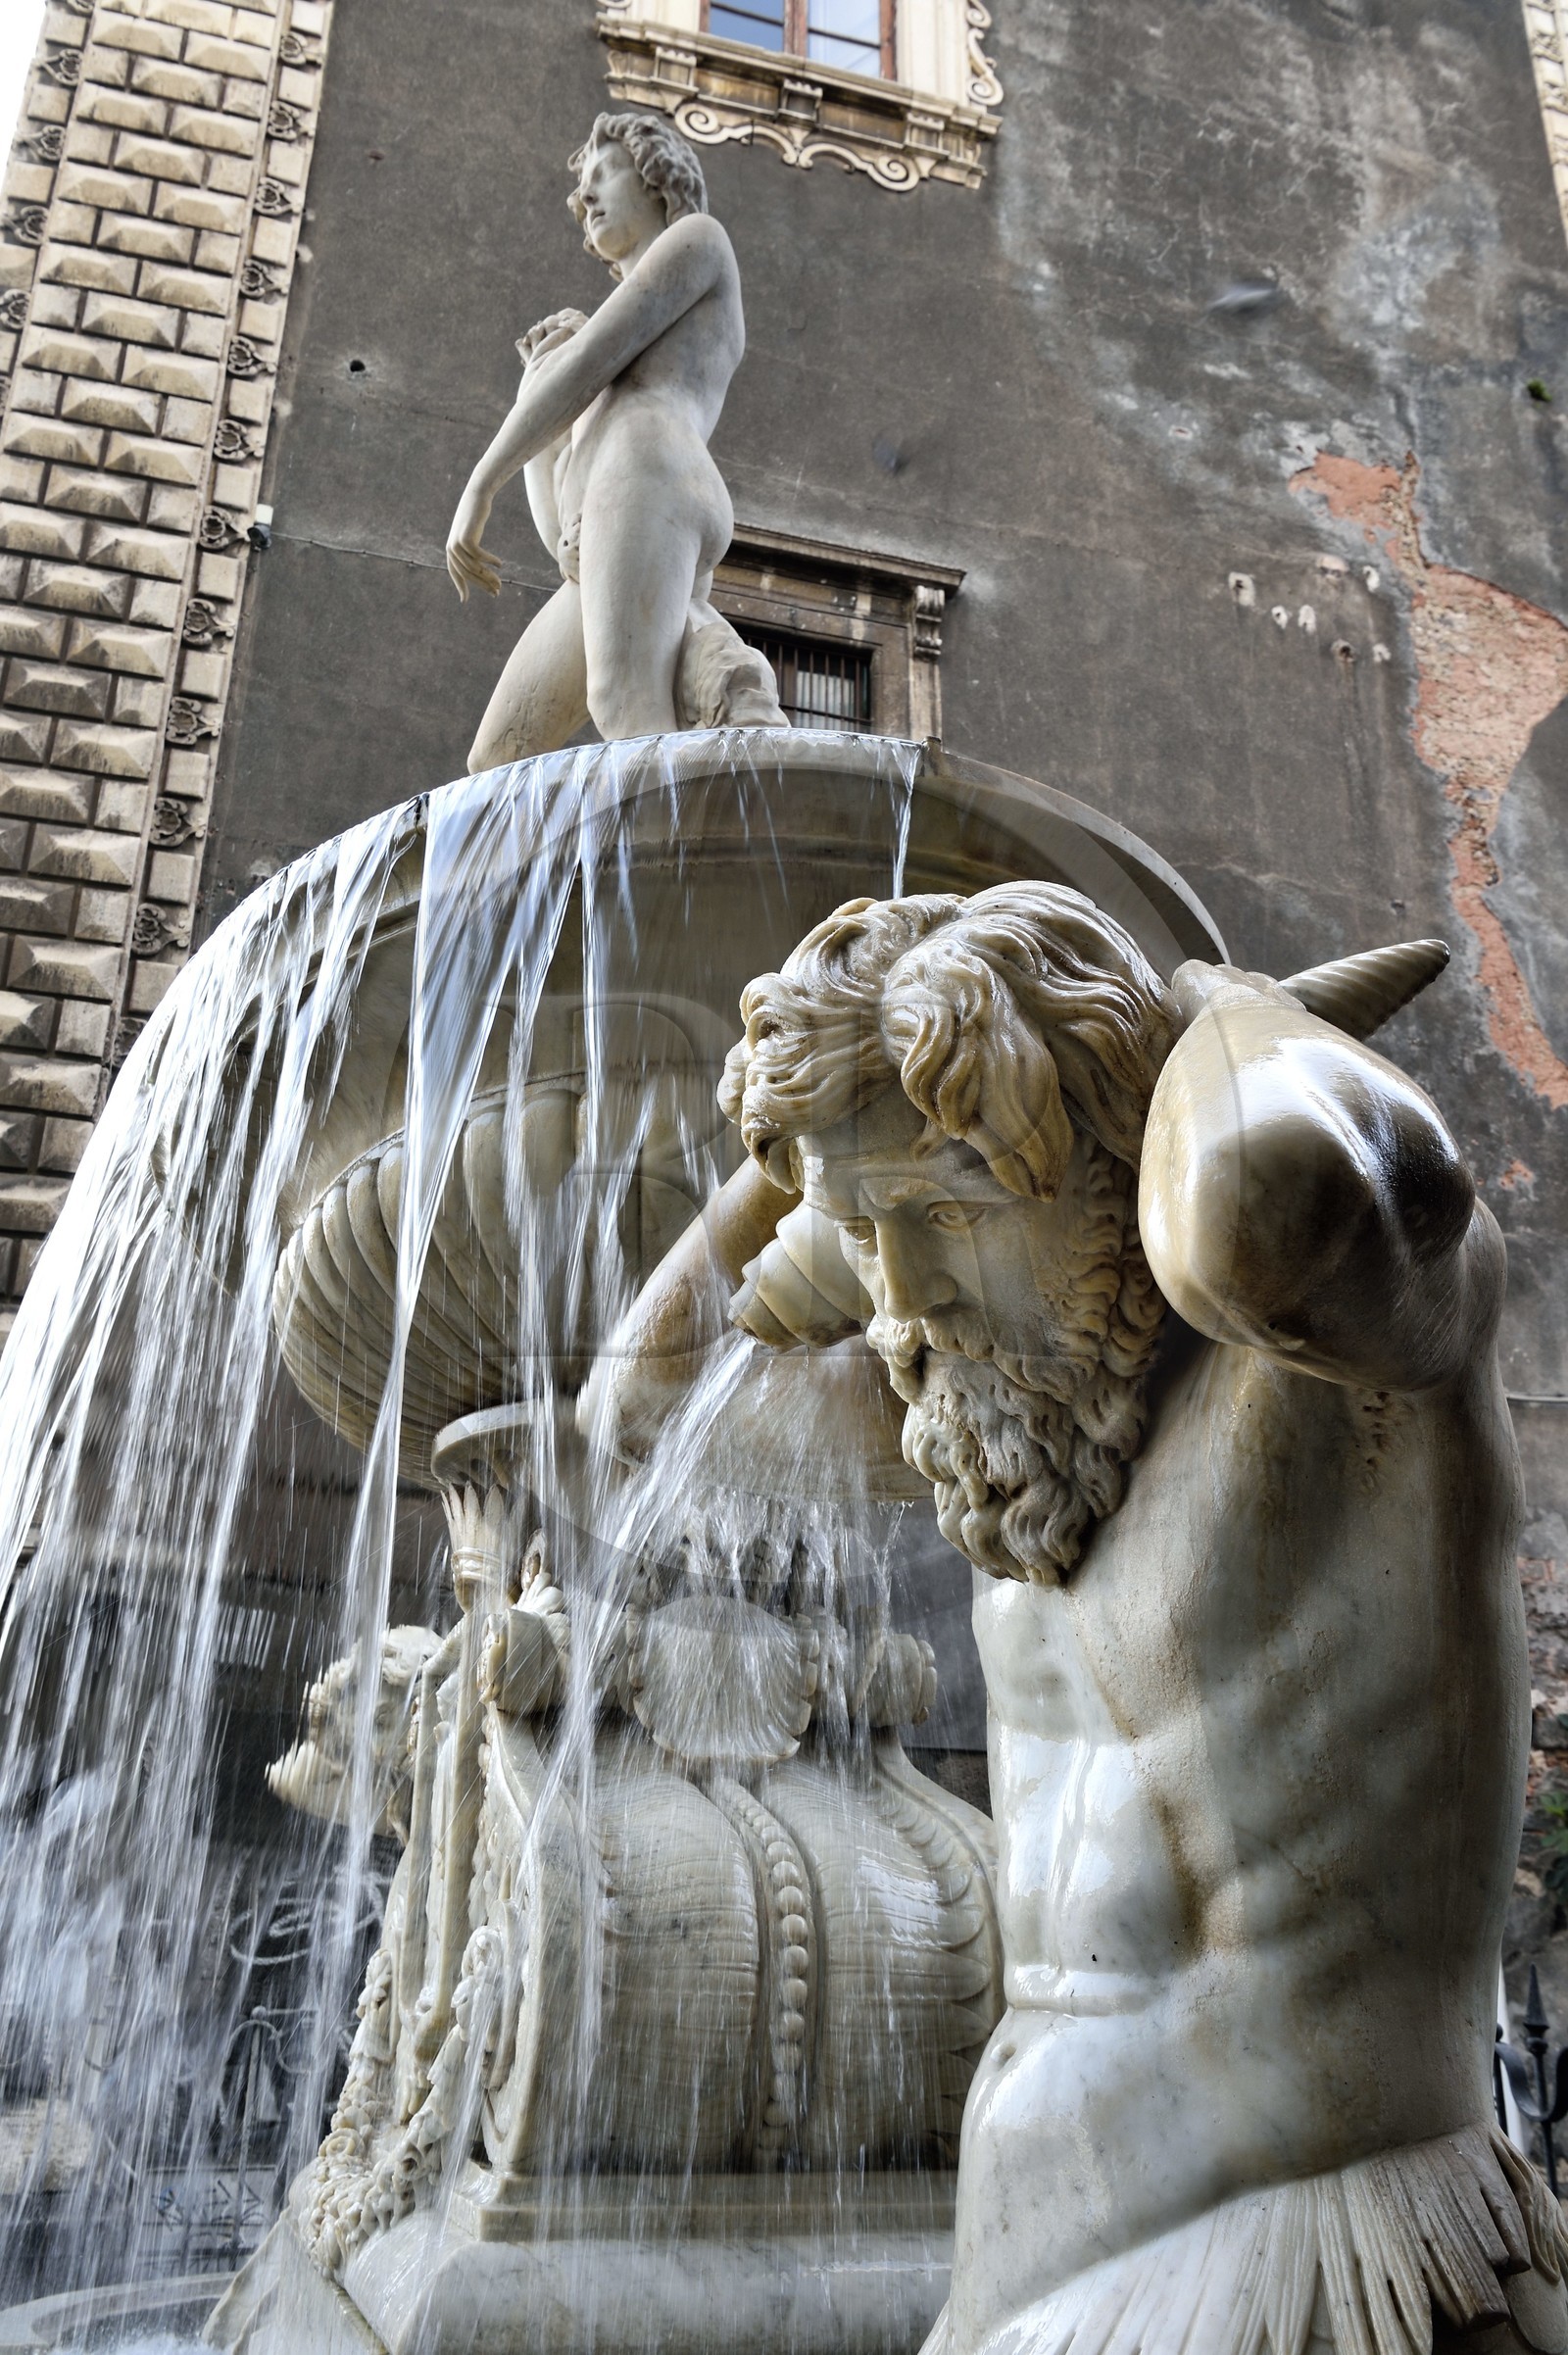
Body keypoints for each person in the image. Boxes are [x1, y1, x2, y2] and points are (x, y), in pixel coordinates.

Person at [584, 882, 1568, 2355]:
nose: (902, 1293)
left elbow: (1266, 1204)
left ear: (1110, 1152)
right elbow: (642, 1401)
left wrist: (1218, 1014)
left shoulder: (1344, 1373)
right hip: (1046, 2294)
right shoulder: (1015, 1429)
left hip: (1325, 2264)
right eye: (872, 1238)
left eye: (948, 1212)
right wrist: (822, 1184)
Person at [446, 113, 784, 768]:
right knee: (497, 759)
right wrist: (532, 391)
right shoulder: (598, 356)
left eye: (604, 175)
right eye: (582, 189)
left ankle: (681, 866)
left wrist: (480, 482)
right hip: (615, 513)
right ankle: (730, 679)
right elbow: (563, 544)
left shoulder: (698, 241)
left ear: (658, 176)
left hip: (654, 470)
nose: (585, 199)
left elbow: (591, 362)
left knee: (626, 706)